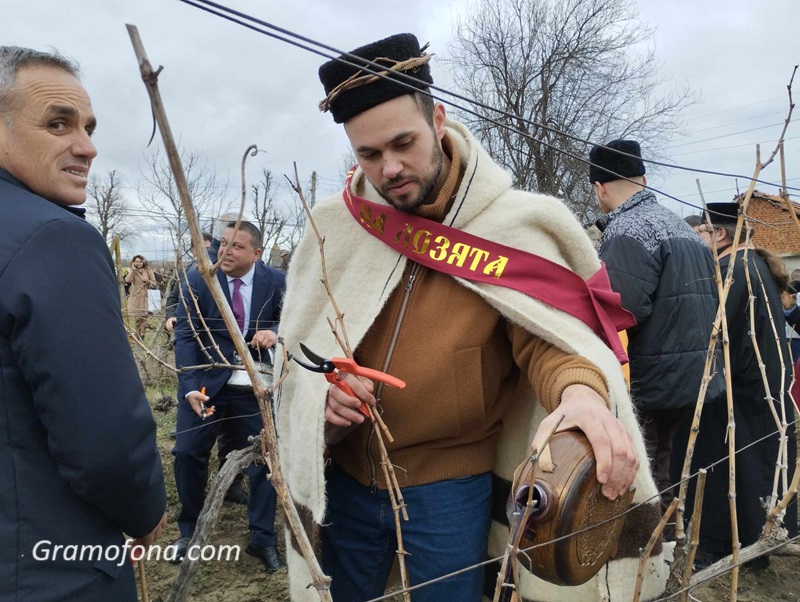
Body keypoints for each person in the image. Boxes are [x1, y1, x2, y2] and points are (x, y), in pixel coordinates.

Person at [276, 34, 671, 602]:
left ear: (438, 119)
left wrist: (580, 394)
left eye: (403, 143)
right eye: (367, 154)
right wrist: (322, 394)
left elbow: (550, 341)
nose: (389, 168)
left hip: (448, 489)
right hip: (347, 480)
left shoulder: (511, 223)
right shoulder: (335, 227)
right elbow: (302, 349)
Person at [0, 46, 166, 601]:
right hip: (48, 566)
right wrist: (143, 510)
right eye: (57, 124)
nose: (88, 147)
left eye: (89, 127)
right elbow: (106, 442)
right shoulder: (53, 239)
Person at [589, 140, 723, 518]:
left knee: (643, 475)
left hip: (650, 381)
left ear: (600, 188)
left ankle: (650, 551)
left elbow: (619, 310)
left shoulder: (625, 231)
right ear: (643, 178)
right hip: (694, 376)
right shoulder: (682, 227)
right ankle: (668, 542)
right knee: (664, 463)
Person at [683, 205, 797, 568]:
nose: (697, 239)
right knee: (756, 466)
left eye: (701, 231)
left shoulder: (731, 270)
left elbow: (712, 332)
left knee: (736, 467)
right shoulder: (754, 264)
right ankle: (754, 542)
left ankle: (729, 546)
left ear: (720, 234)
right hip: (761, 386)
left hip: (740, 388)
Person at [172, 221, 286, 571]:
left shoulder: (277, 282)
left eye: (237, 246)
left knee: (265, 460)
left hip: (256, 386)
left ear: (257, 253)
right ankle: (188, 530)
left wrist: (274, 331)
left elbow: (294, 320)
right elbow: (187, 335)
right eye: (223, 244)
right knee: (188, 452)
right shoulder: (198, 280)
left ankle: (262, 538)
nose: (225, 251)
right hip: (206, 383)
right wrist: (190, 386)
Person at [125, 254, 156, 337]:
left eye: (140, 261)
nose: (138, 263)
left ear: (143, 262)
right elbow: (127, 280)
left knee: (144, 316)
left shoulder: (148, 270)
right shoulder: (132, 271)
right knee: (137, 317)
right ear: (134, 262)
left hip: (145, 296)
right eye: (137, 261)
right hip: (136, 296)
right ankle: (137, 334)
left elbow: (154, 283)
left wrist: (148, 281)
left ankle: (142, 335)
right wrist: (133, 270)